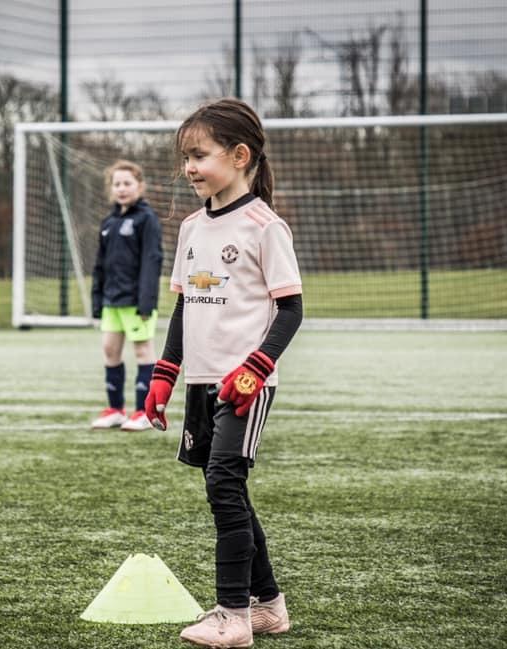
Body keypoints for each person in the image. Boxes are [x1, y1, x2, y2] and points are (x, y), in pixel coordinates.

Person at [144, 98, 304, 648]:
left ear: (239, 156)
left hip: (245, 386)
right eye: (184, 157)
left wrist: (256, 368)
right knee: (227, 487)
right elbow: (186, 306)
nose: (188, 167)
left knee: (223, 483)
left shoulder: (265, 227)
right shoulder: (191, 227)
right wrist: (165, 373)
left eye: (199, 155)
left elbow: (291, 310)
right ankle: (270, 608)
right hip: (201, 381)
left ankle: (233, 616)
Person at [90, 159, 163, 431]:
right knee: (110, 350)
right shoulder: (108, 223)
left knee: (143, 351)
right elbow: (99, 265)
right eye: (117, 184)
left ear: (140, 186)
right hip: (112, 301)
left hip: (136, 302)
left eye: (127, 183)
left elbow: (152, 261)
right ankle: (115, 409)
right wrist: (97, 300)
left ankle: (144, 412)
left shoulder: (147, 219)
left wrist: (147, 301)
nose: (122, 189)